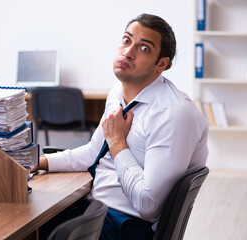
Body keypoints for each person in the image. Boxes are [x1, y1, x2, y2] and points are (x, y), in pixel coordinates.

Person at [32, 13, 208, 240]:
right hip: (96, 208)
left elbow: (148, 205)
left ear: (161, 64)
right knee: (30, 219)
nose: (128, 52)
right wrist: (41, 162)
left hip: (128, 225)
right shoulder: (118, 91)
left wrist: (117, 143)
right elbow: (93, 152)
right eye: (127, 40)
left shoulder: (174, 114)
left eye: (144, 48)